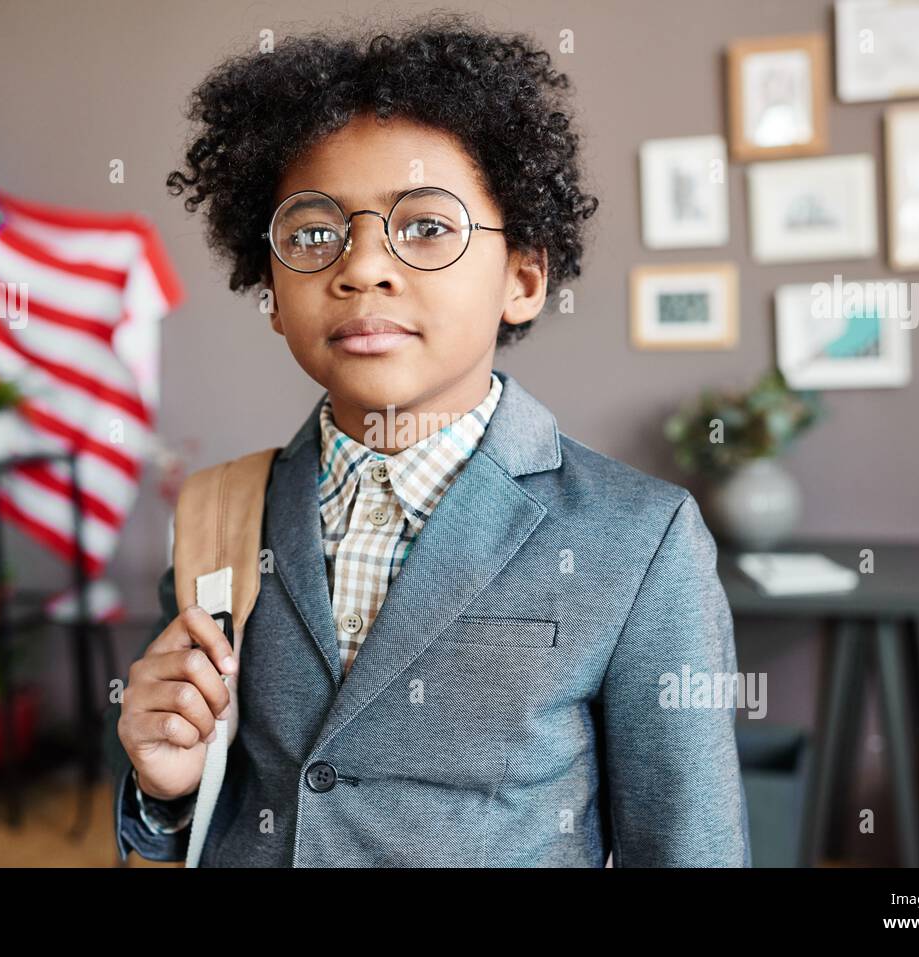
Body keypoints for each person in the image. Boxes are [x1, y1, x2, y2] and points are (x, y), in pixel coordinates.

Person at [105, 12, 751, 867]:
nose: (362, 265)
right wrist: (164, 791)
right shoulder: (221, 512)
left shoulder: (640, 538)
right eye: (311, 232)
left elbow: (690, 844)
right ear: (269, 287)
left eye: (425, 226)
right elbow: (218, 812)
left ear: (523, 278)